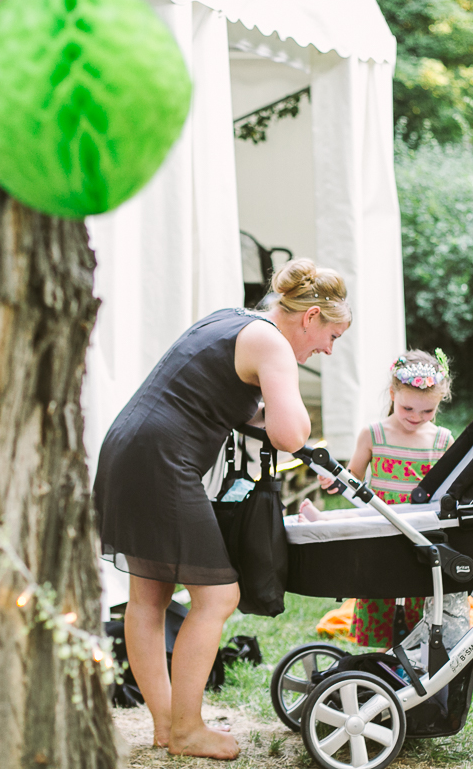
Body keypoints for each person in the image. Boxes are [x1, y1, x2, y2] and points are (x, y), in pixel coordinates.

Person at [94, 259, 351, 759]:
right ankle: (187, 729)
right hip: (163, 461)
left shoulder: (231, 318)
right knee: (216, 597)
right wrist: (295, 399)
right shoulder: (273, 342)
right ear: (310, 315)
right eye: (332, 335)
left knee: (148, 597)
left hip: (129, 448)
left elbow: (232, 406)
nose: (326, 348)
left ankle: (168, 726)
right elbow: (289, 432)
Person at [301, 349, 468, 650]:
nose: (416, 418)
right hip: (379, 523)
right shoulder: (373, 434)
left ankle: (416, 655)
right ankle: (382, 659)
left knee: (421, 591)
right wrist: (332, 480)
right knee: (380, 587)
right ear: (392, 394)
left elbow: (451, 488)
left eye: (427, 412)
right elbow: (351, 477)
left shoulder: (442, 439)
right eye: (407, 409)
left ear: (439, 403)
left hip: (420, 528)